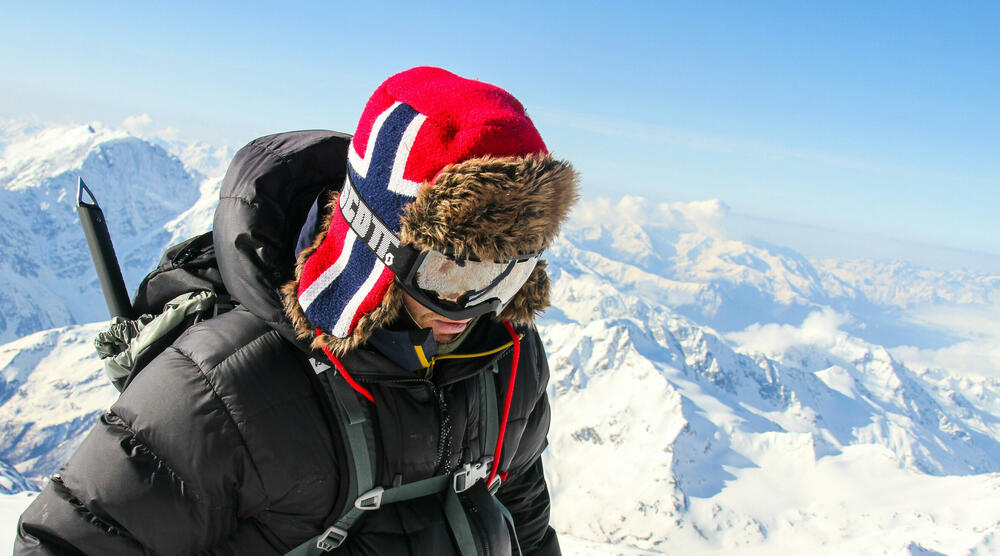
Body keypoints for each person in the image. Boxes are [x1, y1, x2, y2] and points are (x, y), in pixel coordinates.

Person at [15, 66, 578, 555]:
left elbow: (520, 501)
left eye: (505, 272)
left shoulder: (507, 359)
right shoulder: (227, 389)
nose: (470, 306)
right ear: (377, 246)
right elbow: (66, 542)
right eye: (450, 270)